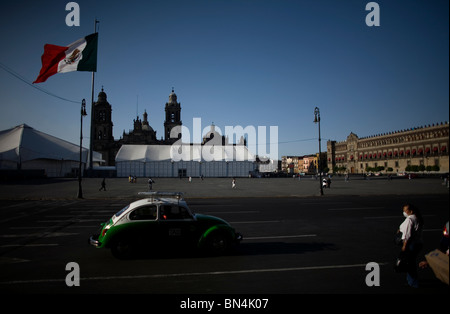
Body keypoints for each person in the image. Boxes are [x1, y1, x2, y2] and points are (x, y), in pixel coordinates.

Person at [396, 203, 424, 288]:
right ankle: (410, 281)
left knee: (410, 263)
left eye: (405, 210)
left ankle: (413, 283)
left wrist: (404, 245)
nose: (404, 212)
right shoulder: (417, 218)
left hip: (411, 244)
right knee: (410, 262)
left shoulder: (410, 219)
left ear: (411, 211)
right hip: (418, 243)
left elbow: (407, 234)